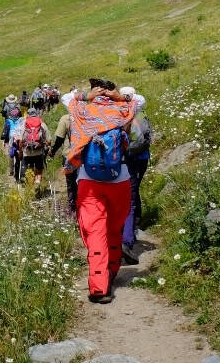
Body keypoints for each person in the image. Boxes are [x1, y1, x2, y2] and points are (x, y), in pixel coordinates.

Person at [63, 78, 136, 304]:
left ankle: (99, 286)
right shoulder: (123, 110)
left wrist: (87, 95)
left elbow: (67, 97)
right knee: (114, 229)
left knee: (95, 233)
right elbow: (139, 99)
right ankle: (111, 271)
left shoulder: (83, 110)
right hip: (120, 179)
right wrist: (118, 96)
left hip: (89, 181)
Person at [119, 86, 151, 265]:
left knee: (125, 199)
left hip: (121, 162)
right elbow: (144, 139)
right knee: (131, 196)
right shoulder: (140, 115)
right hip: (137, 159)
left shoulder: (116, 115)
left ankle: (124, 237)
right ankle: (130, 235)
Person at [16, 107, 50, 195]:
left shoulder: (24, 124)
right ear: (36, 114)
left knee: (30, 170)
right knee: (39, 170)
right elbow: (48, 140)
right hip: (39, 152)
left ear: (28, 114)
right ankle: (37, 182)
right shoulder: (42, 124)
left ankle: (31, 190)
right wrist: (46, 147)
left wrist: (20, 153)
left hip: (27, 152)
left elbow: (20, 141)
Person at [49, 108, 77, 215]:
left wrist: (52, 151)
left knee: (70, 183)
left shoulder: (66, 119)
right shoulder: (88, 117)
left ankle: (72, 208)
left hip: (69, 155)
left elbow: (59, 140)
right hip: (86, 156)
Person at [4, 107, 24, 180]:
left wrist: (5, 141)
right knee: (19, 157)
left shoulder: (8, 121)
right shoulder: (21, 120)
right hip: (20, 140)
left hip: (11, 141)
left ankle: (11, 170)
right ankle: (19, 172)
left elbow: (5, 133)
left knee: (11, 155)